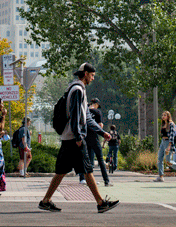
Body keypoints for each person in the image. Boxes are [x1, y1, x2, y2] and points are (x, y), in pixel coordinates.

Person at [38, 63, 118, 214]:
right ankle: (101, 203)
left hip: (70, 137)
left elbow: (86, 117)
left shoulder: (77, 89)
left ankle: (46, 201)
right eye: (92, 75)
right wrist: (78, 136)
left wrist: (102, 132)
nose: (93, 78)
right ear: (86, 73)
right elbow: (75, 115)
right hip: (75, 138)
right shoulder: (77, 90)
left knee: (62, 171)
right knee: (87, 170)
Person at [85, 99, 110, 186]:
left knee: (89, 160)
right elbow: (100, 126)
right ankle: (106, 180)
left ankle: (89, 180)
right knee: (100, 159)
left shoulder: (85, 111)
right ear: (96, 104)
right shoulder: (97, 112)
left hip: (85, 137)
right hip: (94, 137)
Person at [155, 111, 175, 182]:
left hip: (168, 142)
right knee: (159, 159)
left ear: (168, 116)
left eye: (165, 115)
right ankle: (161, 176)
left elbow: (172, 136)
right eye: (162, 115)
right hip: (163, 142)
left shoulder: (171, 124)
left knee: (168, 161)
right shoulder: (163, 124)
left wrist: (169, 146)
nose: (163, 116)